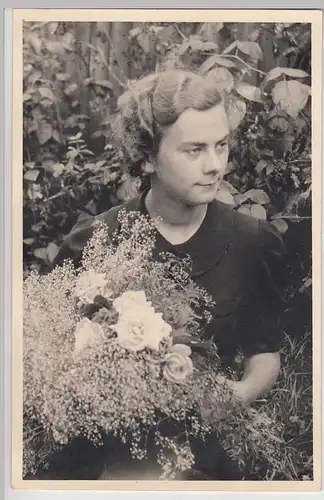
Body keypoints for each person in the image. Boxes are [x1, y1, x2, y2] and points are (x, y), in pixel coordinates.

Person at [42, 69, 287, 481]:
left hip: (201, 456)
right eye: (194, 150)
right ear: (148, 156)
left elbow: (265, 354)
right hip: (104, 454)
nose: (214, 166)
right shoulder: (96, 240)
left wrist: (240, 393)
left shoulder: (251, 242)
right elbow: (56, 358)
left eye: (221, 146)